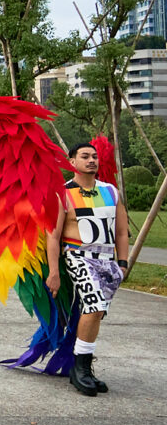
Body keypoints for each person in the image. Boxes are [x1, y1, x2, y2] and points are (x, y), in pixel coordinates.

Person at [46, 142, 128, 396]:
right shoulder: (63, 194)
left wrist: (123, 264)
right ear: (72, 162)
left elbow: (123, 232)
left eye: (94, 156)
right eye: (85, 156)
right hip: (78, 256)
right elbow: (53, 235)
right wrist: (54, 272)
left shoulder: (111, 191)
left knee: (96, 314)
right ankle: (78, 370)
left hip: (108, 262)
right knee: (94, 308)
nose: (92, 160)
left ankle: (84, 367)